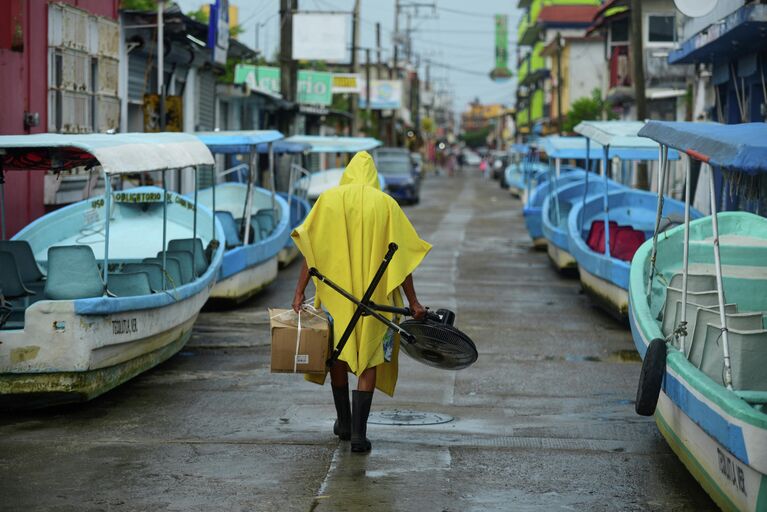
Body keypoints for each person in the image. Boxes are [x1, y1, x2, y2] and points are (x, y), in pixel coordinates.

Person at [291, 151, 431, 453]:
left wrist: (299, 291)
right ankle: (358, 434)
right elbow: (402, 260)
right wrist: (414, 302)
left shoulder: (328, 200)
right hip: (375, 301)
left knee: (338, 355)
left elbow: (310, 251)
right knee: (368, 358)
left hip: (336, 297)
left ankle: (343, 422)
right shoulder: (387, 205)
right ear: (372, 176)